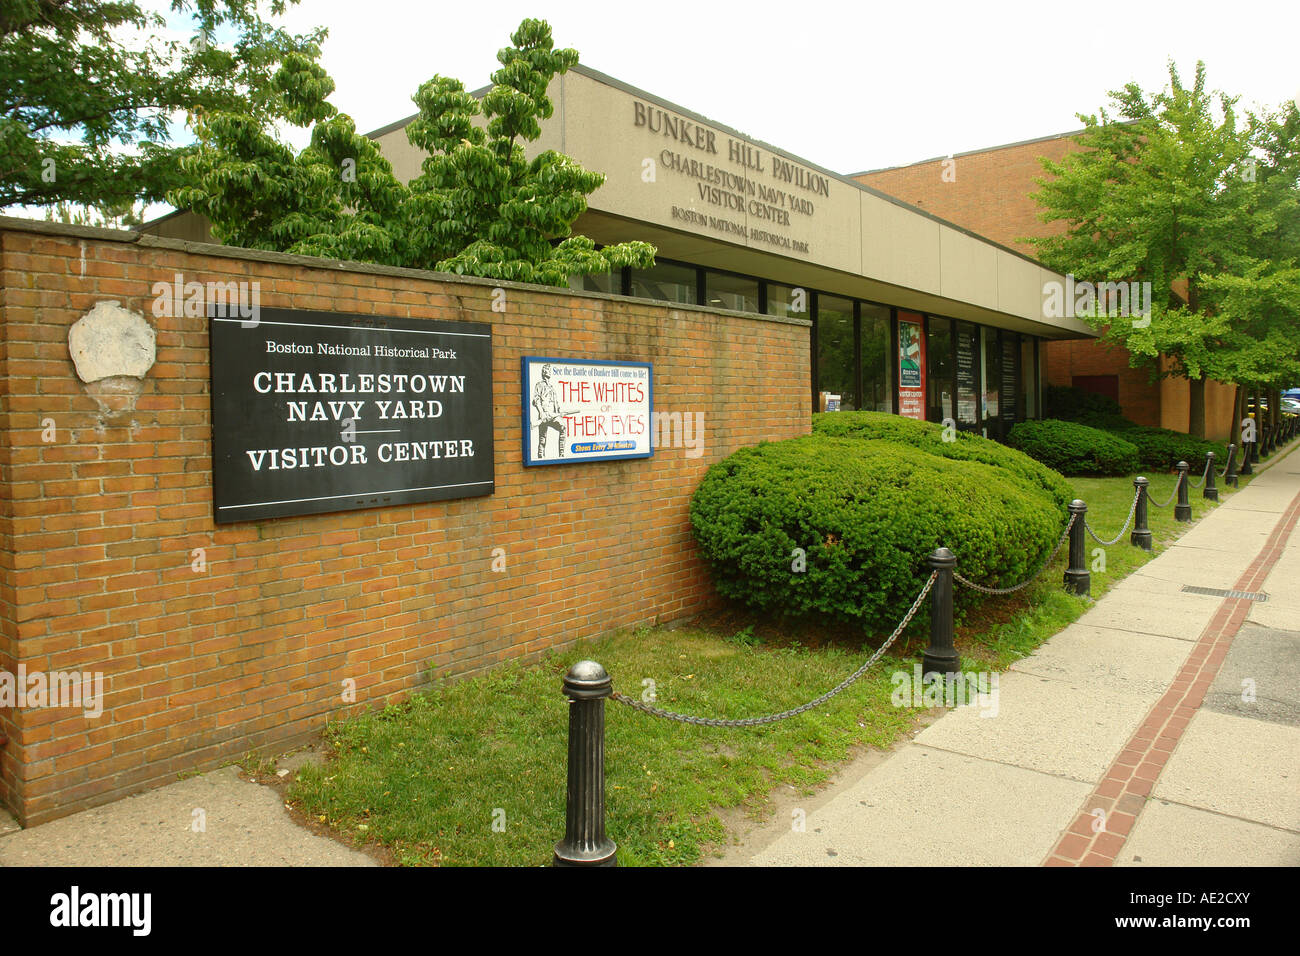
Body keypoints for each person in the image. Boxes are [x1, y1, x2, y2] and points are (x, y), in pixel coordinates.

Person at [532, 364, 566, 459]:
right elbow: (536, 400)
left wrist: (560, 412)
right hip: (544, 415)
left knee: (563, 427)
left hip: (553, 415)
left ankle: (562, 455)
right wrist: (541, 413)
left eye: (550, 369)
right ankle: (541, 457)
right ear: (543, 372)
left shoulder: (552, 387)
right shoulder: (539, 385)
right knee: (542, 438)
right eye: (547, 369)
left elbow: (556, 403)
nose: (549, 371)